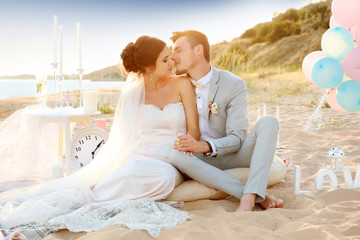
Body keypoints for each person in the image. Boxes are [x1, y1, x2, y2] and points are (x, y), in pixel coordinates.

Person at [0, 35, 199, 237]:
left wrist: (188, 144)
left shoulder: (181, 84)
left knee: (161, 178)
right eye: (165, 60)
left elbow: (194, 130)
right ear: (148, 67)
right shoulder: (132, 94)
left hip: (171, 160)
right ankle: (70, 214)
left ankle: (88, 207)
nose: (172, 62)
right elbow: (124, 138)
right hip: (140, 157)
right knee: (128, 172)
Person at [168, 30, 284, 211]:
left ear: (198, 50)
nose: (172, 57)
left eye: (178, 50)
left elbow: (237, 137)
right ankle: (251, 195)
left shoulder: (233, 84)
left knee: (269, 122)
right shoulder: (176, 85)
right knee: (175, 155)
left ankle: (249, 198)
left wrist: (205, 146)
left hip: (234, 154)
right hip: (199, 161)